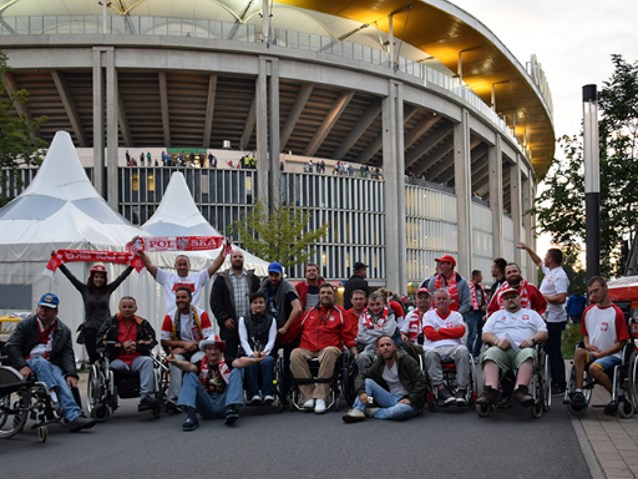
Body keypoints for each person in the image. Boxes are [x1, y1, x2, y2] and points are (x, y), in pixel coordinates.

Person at [5, 293, 96, 432]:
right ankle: (53, 399)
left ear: (56, 311)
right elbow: (11, 346)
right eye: (41, 307)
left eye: (48, 308)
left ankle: (73, 417)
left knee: (61, 378)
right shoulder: (26, 324)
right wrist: (22, 365)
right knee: (41, 363)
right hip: (28, 361)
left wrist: (71, 374)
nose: (43, 311)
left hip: (50, 363)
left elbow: (67, 354)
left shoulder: (63, 330)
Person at [168, 335, 265, 431]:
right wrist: (176, 362)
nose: (213, 352)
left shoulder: (227, 362)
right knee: (189, 374)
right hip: (206, 404)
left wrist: (254, 360)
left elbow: (239, 361)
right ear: (205, 351)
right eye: (209, 349)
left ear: (220, 351)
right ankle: (191, 416)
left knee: (237, 370)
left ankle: (231, 409)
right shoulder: (200, 363)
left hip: (224, 403)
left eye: (216, 349)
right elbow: (189, 366)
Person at [290, 283, 357, 414]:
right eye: (323, 293)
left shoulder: (340, 313)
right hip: (308, 347)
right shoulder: (308, 313)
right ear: (319, 296)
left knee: (329, 351)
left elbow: (347, 334)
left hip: (330, 347)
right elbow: (295, 330)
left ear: (333, 296)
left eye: (329, 293)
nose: (326, 295)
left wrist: (353, 350)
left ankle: (321, 397)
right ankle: (308, 396)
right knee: (295, 354)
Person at [476, 287, 548, 406]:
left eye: (513, 297)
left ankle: (520, 390)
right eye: (506, 298)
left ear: (519, 298)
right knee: (490, 354)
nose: (510, 300)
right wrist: (497, 341)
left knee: (528, 354)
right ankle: (491, 390)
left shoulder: (532, 314)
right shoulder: (496, 315)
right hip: (501, 349)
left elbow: (544, 333)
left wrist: (532, 339)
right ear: (502, 301)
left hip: (523, 348)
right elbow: (485, 334)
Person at [571, 276, 629, 415]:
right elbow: (585, 334)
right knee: (579, 352)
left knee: (594, 369)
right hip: (593, 352)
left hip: (612, 354)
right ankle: (578, 392)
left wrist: (602, 354)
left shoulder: (616, 313)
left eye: (596, 291)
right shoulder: (588, 311)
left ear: (605, 288)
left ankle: (616, 396)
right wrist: (587, 344)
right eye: (591, 292)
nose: (593, 295)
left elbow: (621, 342)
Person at [518, 242, 570, 395]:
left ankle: (559, 383)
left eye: (547, 256)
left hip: (555, 318)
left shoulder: (560, 275)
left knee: (553, 350)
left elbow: (561, 298)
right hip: (546, 317)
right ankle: (551, 378)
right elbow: (538, 261)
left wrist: (542, 297)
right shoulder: (550, 271)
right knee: (547, 349)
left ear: (552, 259)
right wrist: (528, 249)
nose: (544, 258)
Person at [58, 262, 134, 364]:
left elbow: (122, 277)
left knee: (109, 357)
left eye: (101, 277)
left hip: (106, 330)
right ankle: (95, 377)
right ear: (92, 278)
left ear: (105, 279)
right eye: (96, 277)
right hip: (91, 329)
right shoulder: (84, 289)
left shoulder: (108, 289)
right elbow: (71, 277)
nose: (99, 279)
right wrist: (59, 264)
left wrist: (133, 264)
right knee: (94, 359)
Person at [342, 335, 426, 422]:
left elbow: (421, 381)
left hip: (408, 401)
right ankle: (358, 410)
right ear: (378, 350)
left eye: (388, 345)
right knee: (367, 382)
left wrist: (411, 399)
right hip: (389, 399)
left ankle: (372, 412)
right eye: (382, 346)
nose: (385, 348)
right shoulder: (379, 363)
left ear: (394, 347)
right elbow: (361, 376)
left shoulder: (406, 360)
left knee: (397, 412)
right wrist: (361, 392)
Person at [97, 296, 159, 411]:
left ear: (135, 308)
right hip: (117, 360)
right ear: (119, 308)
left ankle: (145, 397)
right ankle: (110, 396)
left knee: (148, 361)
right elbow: (100, 340)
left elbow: (152, 340)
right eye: (124, 307)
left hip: (136, 358)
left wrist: (137, 345)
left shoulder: (142, 323)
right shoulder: (111, 323)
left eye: (130, 307)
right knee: (115, 368)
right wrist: (121, 347)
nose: (127, 309)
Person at [161, 287, 214, 410]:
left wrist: (186, 348)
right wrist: (183, 344)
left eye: (183, 297)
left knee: (199, 362)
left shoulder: (201, 314)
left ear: (190, 299)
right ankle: (174, 399)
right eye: (178, 297)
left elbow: (208, 339)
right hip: (179, 350)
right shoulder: (170, 316)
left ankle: (200, 396)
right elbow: (164, 341)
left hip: (198, 349)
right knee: (175, 362)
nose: (180, 300)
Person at [135, 245, 227, 311]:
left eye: (184, 264)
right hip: (173, 319)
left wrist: (225, 249)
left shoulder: (198, 277)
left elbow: (215, 265)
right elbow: (150, 266)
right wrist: (141, 252)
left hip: (193, 319)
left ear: (189, 266)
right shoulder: (167, 277)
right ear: (175, 266)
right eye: (179, 264)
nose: (182, 267)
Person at [260, 261, 302, 401]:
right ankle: (268, 390)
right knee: (268, 359)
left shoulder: (287, 288)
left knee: (289, 361)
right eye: (271, 274)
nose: (273, 278)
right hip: (270, 329)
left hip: (288, 330)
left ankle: (288, 389)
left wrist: (285, 326)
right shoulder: (264, 286)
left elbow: (297, 308)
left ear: (281, 275)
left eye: (276, 275)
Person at [422, 288, 471, 406]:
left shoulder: (457, 315)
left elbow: (460, 332)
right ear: (434, 301)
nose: (441, 301)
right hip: (434, 348)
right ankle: (441, 388)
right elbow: (429, 334)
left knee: (463, 351)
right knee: (430, 354)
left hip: (455, 347)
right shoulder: (428, 315)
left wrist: (440, 330)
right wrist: (450, 331)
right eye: (438, 299)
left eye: (444, 299)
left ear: (450, 301)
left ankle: (461, 389)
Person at [210, 249, 261, 359]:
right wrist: (224, 319)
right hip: (230, 326)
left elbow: (260, 300)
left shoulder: (252, 278)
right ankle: (231, 376)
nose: (238, 259)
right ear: (230, 260)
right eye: (235, 257)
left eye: (240, 257)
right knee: (229, 357)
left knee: (250, 357)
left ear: (243, 260)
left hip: (249, 326)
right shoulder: (221, 279)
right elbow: (215, 302)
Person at [238, 291, 278, 404]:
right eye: (255, 302)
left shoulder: (272, 320)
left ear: (265, 305)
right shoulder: (243, 320)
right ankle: (253, 394)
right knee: (250, 362)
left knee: (267, 362)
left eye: (261, 302)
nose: (258, 305)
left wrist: (264, 353)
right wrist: (251, 354)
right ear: (251, 305)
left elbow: (271, 340)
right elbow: (243, 340)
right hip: (249, 351)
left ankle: (268, 394)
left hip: (266, 352)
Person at [356, 292, 397, 371]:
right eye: (372, 305)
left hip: (387, 348)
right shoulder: (363, 317)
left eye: (378, 304)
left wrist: (369, 331)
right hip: (369, 348)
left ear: (383, 304)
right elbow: (360, 336)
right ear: (368, 305)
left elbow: (388, 334)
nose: (375, 307)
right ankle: (363, 381)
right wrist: (380, 333)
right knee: (362, 357)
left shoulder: (390, 315)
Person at [400, 287, 431, 360]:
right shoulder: (410, 315)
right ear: (416, 300)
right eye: (420, 298)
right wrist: (403, 336)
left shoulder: (435, 314)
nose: (423, 300)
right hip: (415, 346)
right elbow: (403, 332)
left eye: (426, 297)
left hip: (431, 346)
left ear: (431, 299)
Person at [465, 270, 487, 362]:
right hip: (471, 313)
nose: (481, 278)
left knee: (481, 334)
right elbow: (467, 299)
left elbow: (483, 298)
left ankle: (475, 354)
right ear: (476, 276)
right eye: (480, 276)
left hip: (480, 313)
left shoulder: (480, 287)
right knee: (472, 334)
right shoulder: (468, 286)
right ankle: (469, 355)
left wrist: (484, 305)